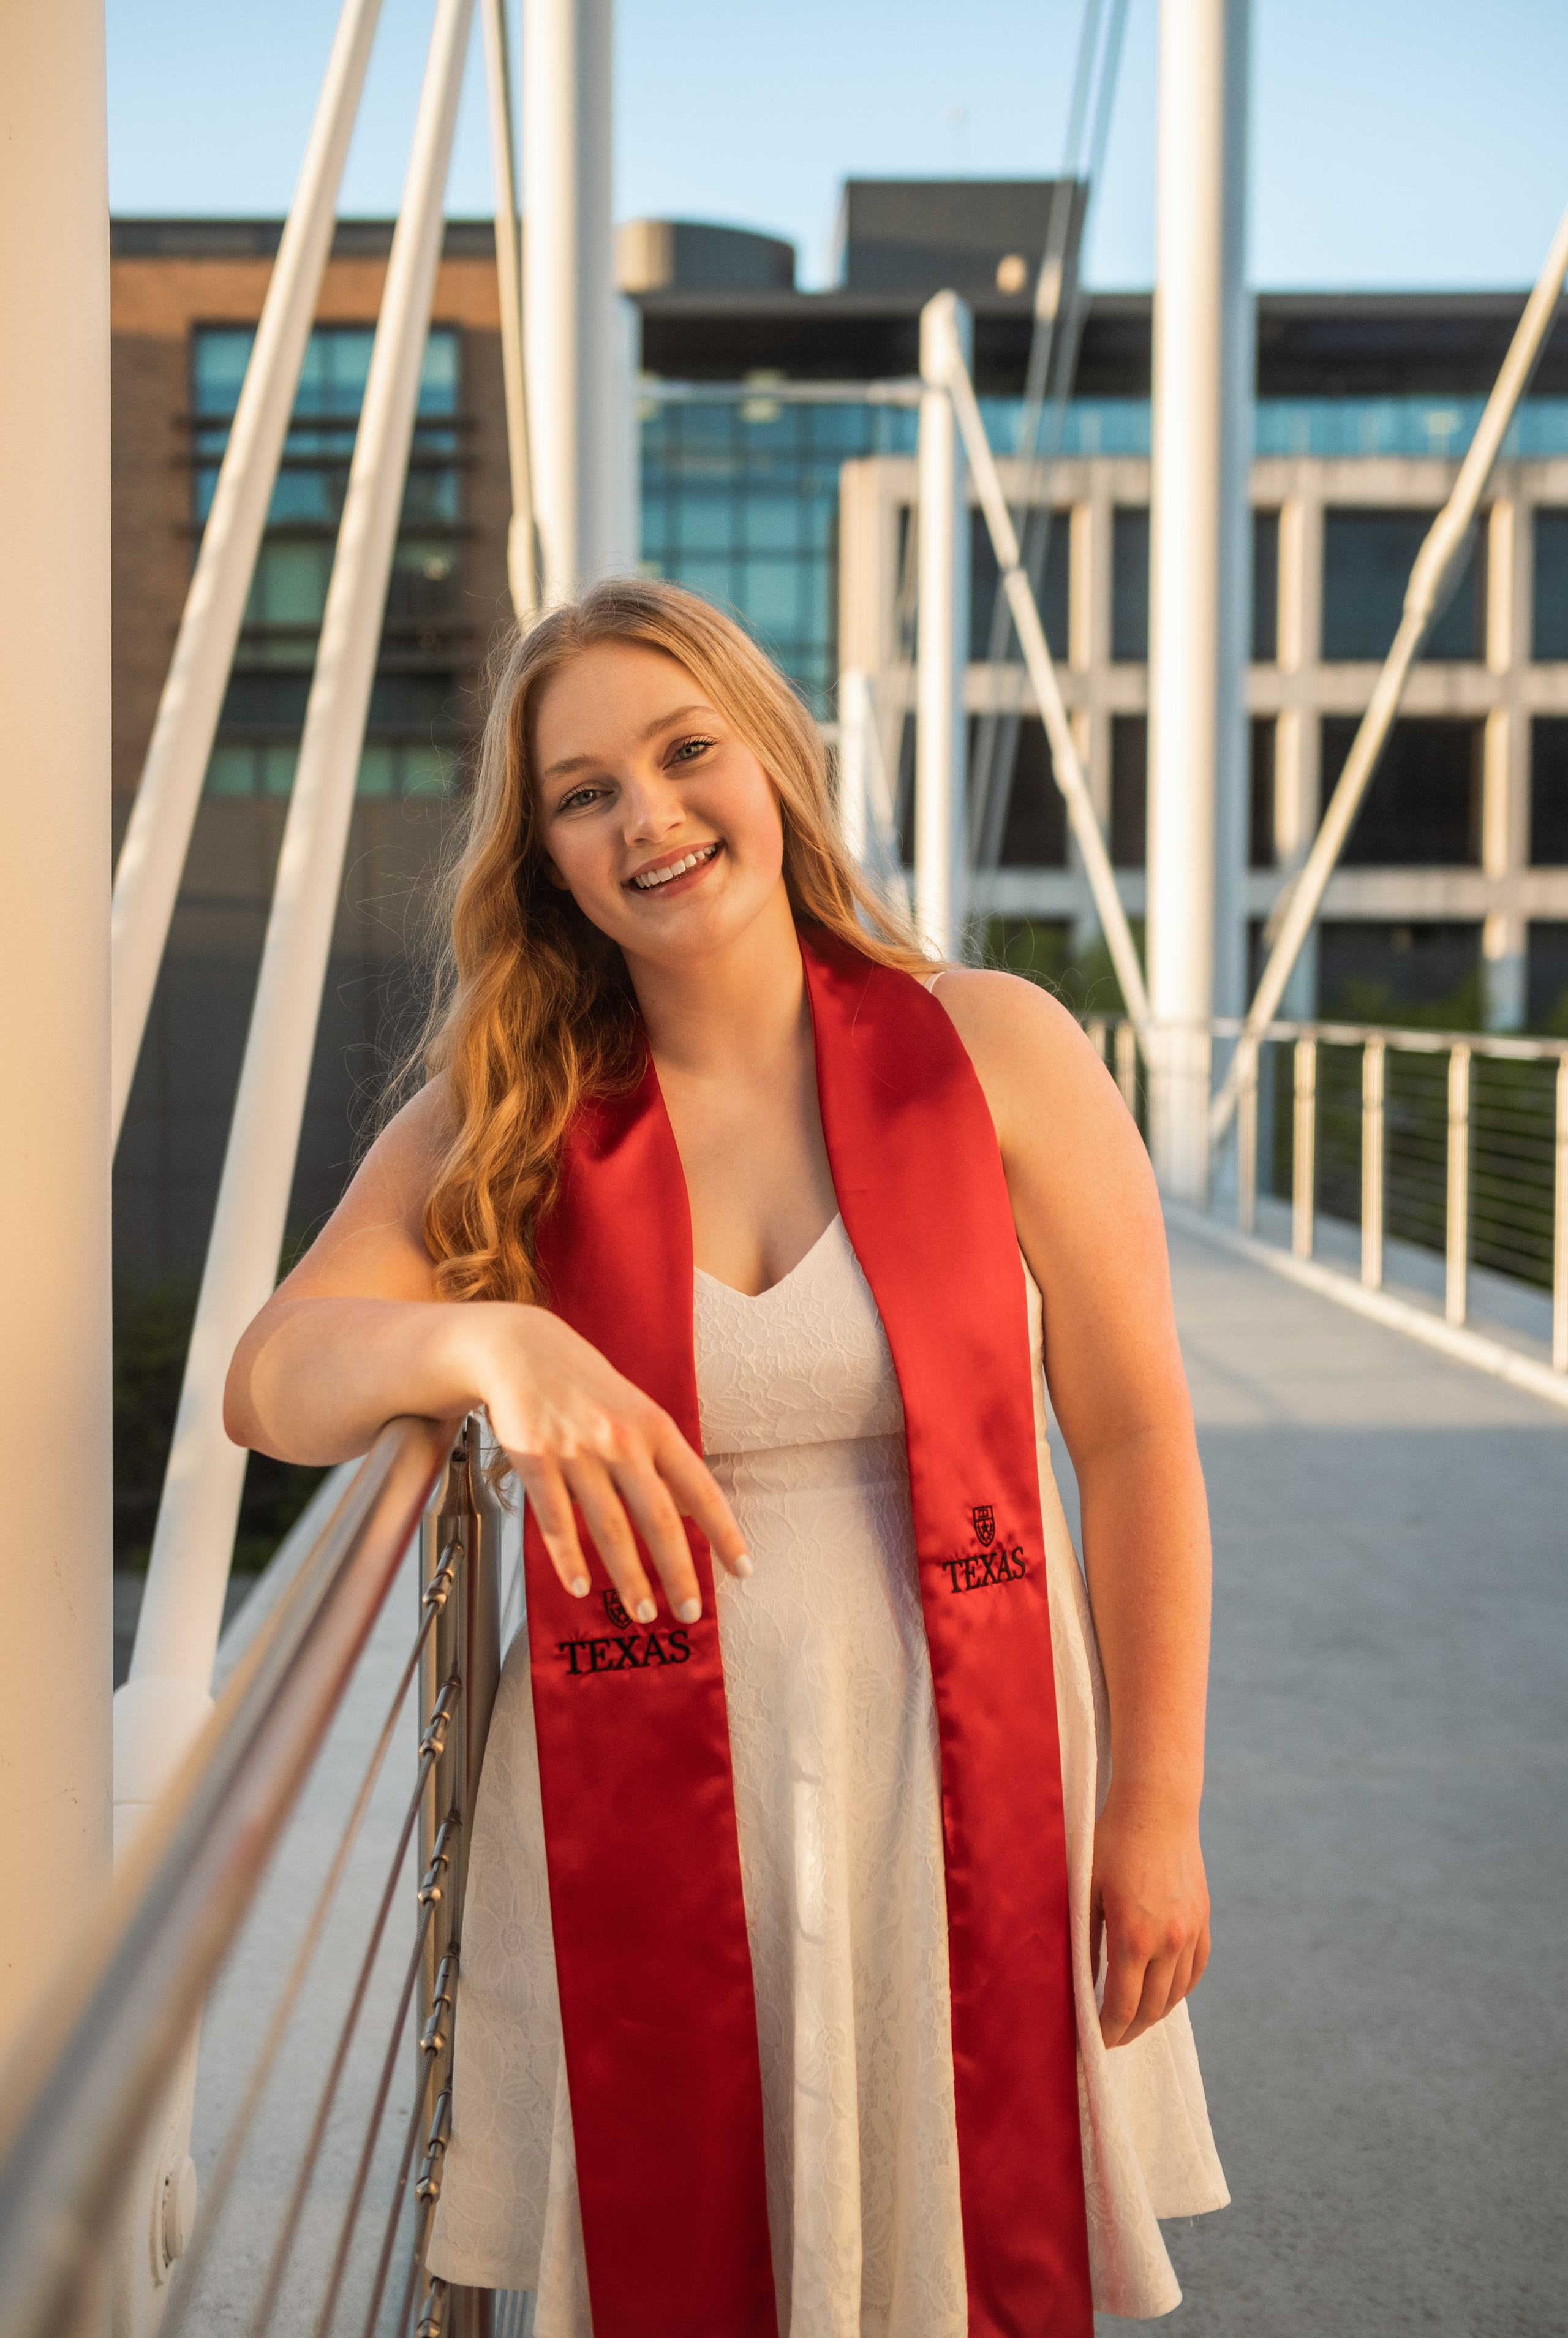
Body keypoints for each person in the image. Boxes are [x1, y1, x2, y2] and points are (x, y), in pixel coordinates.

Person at [225, 578, 1227, 2337]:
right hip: (648, 1815)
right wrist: (491, 1338)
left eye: (687, 753)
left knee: (947, 2258)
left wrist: (1155, 1804)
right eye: (585, 792)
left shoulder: (997, 1050)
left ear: (776, 761)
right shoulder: (514, 1107)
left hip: (970, 1785)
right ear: (543, 855)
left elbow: (1136, 1435)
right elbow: (273, 1381)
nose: (652, 818)